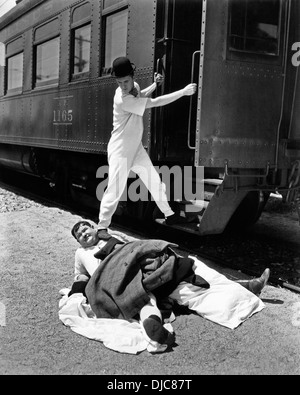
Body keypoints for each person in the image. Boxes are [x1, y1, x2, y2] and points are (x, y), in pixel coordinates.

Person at [69, 220, 270, 350]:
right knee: (145, 297)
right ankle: (154, 327)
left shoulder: (112, 237)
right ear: (79, 242)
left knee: (195, 267)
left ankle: (247, 286)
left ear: (94, 227)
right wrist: (75, 294)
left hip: (138, 264)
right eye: (79, 235)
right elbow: (81, 276)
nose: (83, 234)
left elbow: (134, 248)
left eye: (85, 228)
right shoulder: (81, 254)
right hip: (117, 277)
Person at [97, 56, 198, 240]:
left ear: (132, 76)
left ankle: (170, 215)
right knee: (115, 189)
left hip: (134, 148)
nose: (123, 86)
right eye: (119, 82)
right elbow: (154, 102)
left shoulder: (133, 88)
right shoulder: (122, 99)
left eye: (126, 81)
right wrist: (183, 92)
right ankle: (102, 227)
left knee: (154, 182)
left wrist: (154, 84)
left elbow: (140, 94)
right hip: (120, 149)